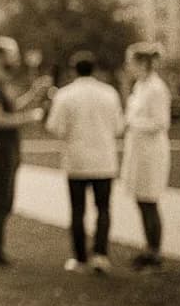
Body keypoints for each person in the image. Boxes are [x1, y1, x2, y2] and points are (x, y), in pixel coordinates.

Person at [0, 37, 51, 266]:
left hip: (7, 150)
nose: (16, 59)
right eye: (12, 54)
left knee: (6, 200)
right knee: (2, 201)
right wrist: (31, 118)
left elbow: (11, 107)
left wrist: (34, 94)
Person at [44, 51, 125, 273]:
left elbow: (55, 128)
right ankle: (100, 254)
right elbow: (119, 127)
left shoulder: (65, 95)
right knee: (103, 209)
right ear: (95, 69)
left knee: (78, 210)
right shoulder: (109, 93)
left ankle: (80, 258)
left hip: (77, 160)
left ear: (73, 70)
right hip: (104, 159)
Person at [119, 41, 171, 272]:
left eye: (131, 62)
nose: (128, 67)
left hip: (151, 152)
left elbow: (160, 122)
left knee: (150, 200)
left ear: (141, 62)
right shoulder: (140, 86)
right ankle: (149, 248)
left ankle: (155, 252)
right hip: (139, 150)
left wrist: (133, 123)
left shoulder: (156, 88)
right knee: (141, 200)